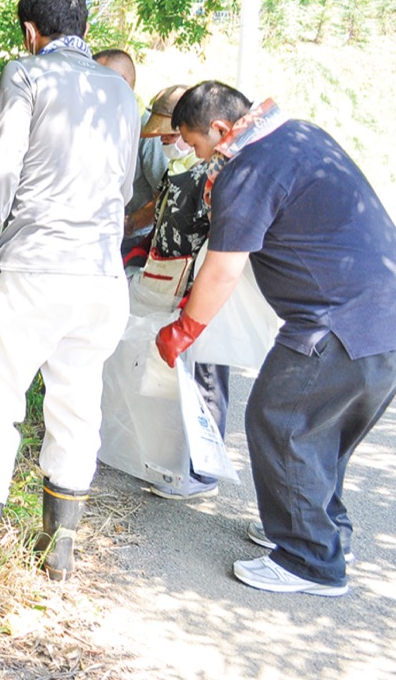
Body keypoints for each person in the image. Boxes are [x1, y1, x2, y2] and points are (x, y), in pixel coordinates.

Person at [155, 81, 396, 596]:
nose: (196, 156)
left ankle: (311, 562)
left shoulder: (249, 168)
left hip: (335, 323)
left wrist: (184, 329)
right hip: (382, 321)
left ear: (220, 130)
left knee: (279, 419)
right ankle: (325, 534)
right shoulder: (300, 136)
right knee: (319, 434)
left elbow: (222, 270)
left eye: (195, 144)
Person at [0, 0, 139, 581]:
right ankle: (58, 551)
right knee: (78, 403)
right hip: (102, 279)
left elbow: (1, 170)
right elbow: (126, 188)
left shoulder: (26, 74)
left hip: (32, 270)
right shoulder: (123, 93)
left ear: (32, 32)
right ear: (83, 29)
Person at [132, 84, 230, 500]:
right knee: (177, 377)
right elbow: (157, 208)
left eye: (179, 138)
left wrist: (198, 301)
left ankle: (202, 473)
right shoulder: (179, 170)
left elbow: (221, 244)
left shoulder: (217, 174)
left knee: (205, 375)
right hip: (168, 279)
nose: (171, 144)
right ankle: (178, 462)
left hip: (200, 288)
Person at [93, 48, 167, 263]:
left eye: (100, 81)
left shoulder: (145, 128)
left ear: (123, 84)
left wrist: (131, 223)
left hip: (132, 242)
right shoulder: (91, 121)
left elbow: (165, 193)